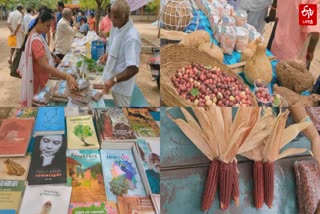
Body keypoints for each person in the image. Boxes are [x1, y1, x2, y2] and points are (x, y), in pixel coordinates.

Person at [19, 7, 78, 107]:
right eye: (47, 26)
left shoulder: (35, 34)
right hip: (38, 81)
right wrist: (67, 77)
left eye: (50, 26)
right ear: (40, 22)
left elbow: (43, 52)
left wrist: (53, 55)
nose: (48, 30)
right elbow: (46, 66)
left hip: (39, 78)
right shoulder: (36, 40)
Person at [100, 0, 142, 107]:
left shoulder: (131, 37)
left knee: (122, 115)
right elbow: (115, 49)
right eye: (112, 16)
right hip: (114, 83)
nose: (112, 20)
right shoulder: (119, 28)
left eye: (116, 17)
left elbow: (133, 69)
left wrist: (113, 80)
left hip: (122, 88)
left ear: (125, 17)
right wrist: (107, 55)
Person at [269, 0, 320, 69]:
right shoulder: (310, 1)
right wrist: (311, 51)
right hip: (292, 59)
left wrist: (273, 8)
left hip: (276, 46)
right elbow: (313, 34)